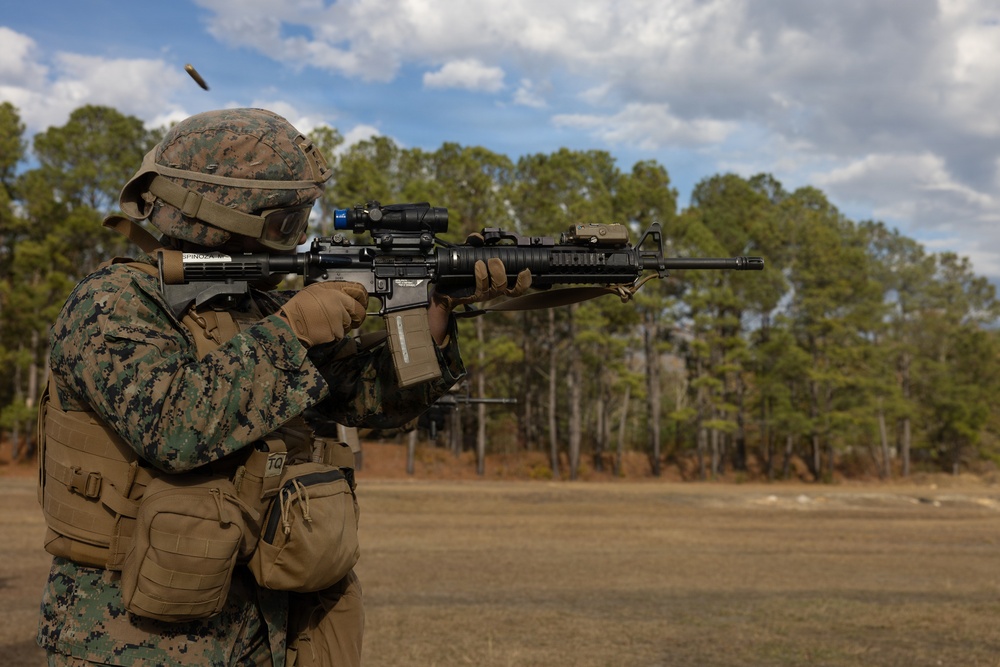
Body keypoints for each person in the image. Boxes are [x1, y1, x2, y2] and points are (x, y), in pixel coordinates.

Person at [35, 108, 529, 666]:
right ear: (219, 213)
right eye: (285, 221)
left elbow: (364, 403)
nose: (296, 234)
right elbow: (171, 427)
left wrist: (433, 318)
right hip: (135, 632)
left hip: (270, 619)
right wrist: (292, 331)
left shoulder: (260, 304)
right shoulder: (116, 300)